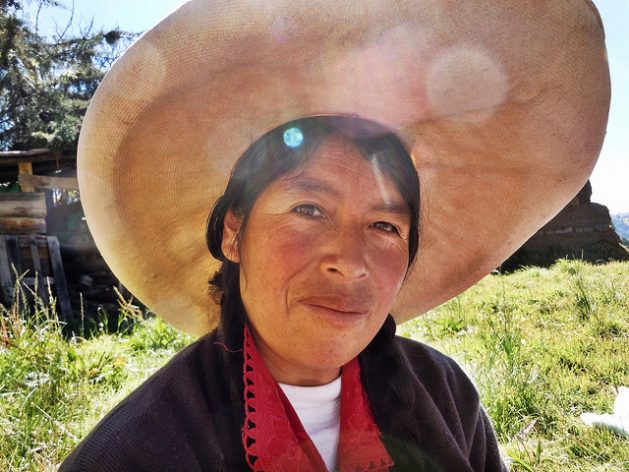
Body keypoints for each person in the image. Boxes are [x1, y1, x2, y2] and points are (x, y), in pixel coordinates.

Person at [59, 0, 610, 471]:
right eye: (309, 208)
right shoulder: (137, 450)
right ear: (234, 232)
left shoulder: (446, 396)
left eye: (385, 226)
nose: (351, 262)